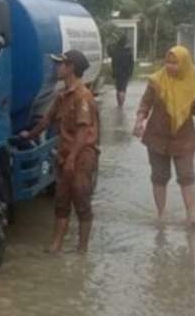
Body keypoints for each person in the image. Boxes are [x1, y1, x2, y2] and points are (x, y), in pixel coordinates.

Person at [21, 50, 100, 253]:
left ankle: (82, 249)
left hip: (81, 156)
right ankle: (55, 246)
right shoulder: (62, 95)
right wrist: (29, 136)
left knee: (82, 202)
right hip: (66, 154)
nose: (58, 67)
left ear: (71, 67)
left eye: (61, 64)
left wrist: (72, 158)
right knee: (61, 202)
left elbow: (83, 132)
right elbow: (47, 120)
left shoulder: (83, 96)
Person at [133, 46, 195, 229]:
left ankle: (192, 216)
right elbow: (145, 104)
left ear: (185, 64)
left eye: (175, 63)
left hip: (184, 138)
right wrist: (139, 122)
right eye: (168, 62)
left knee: (186, 175)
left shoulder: (193, 86)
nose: (170, 66)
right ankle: (161, 215)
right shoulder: (156, 81)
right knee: (159, 176)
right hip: (157, 137)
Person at [110, 34, 134, 107]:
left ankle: (119, 103)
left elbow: (113, 63)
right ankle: (121, 104)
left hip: (117, 73)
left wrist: (113, 72)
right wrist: (130, 72)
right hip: (125, 73)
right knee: (123, 89)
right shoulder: (128, 52)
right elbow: (131, 63)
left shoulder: (116, 51)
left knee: (118, 88)